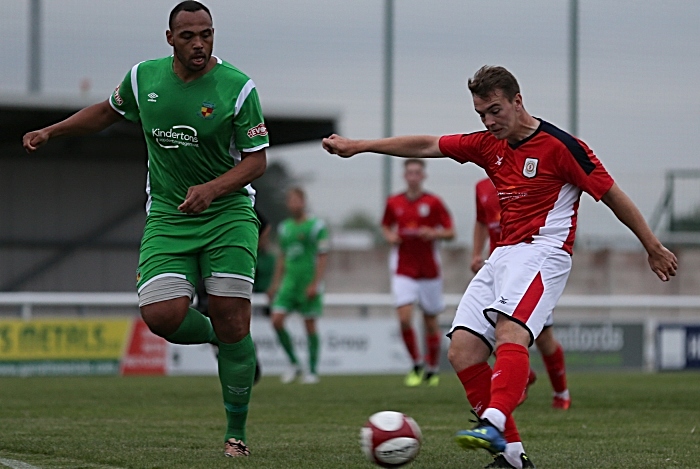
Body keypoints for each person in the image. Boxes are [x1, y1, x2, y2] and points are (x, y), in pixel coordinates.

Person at [322, 65, 677, 468]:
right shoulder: (488, 144)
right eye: (481, 115)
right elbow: (426, 144)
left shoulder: (562, 146)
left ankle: (493, 420)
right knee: (462, 351)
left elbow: (613, 195)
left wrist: (652, 246)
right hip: (503, 254)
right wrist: (360, 145)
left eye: (495, 111)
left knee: (512, 330)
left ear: (517, 101)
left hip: (545, 252)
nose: (489, 122)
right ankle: (511, 457)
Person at [23, 1, 268, 458]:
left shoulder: (238, 87)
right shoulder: (143, 79)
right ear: (170, 38)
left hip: (228, 212)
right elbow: (103, 113)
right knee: (161, 315)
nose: (200, 43)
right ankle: (220, 337)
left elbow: (257, 161)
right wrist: (51, 132)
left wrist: (213, 189)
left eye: (207, 34)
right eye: (190, 35)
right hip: (170, 215)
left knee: (234, 315)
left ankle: (237, 435)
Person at [473, 178, 570, 410]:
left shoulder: (527, 179)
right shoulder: (481, 187)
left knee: (544, 339)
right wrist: (476, 253)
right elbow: (481, 221)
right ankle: (520, 377)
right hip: (498, 270)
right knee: (494, 333)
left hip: (529, 270)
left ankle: (561, 392)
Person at [381, 159, 455, 387]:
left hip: (429, 271)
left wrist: (433, 233)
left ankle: (432, 368)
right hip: (404, 269)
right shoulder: (394, 202)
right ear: (405, 176)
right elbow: (385, 226)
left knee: (431, 322)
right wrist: (390, 236)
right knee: (404, 318)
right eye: (409, 172)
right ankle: (416, 364)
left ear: (423, 176)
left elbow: (451, 232)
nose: (413, 176)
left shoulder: (433, 202)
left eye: (417, 172)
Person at [267, 187, 330, 384]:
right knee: (276, 321)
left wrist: (315, 283)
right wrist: (275, 284)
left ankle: (312, 371)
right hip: (289, 283)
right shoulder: (285, 228)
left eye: (297, 200)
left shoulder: (316, 226)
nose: (293, 204)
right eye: (290, 200)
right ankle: (294, 363)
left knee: (309, 324)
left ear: (303, 202)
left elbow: (322, 257)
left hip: (308, 282)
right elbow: (282, 257)